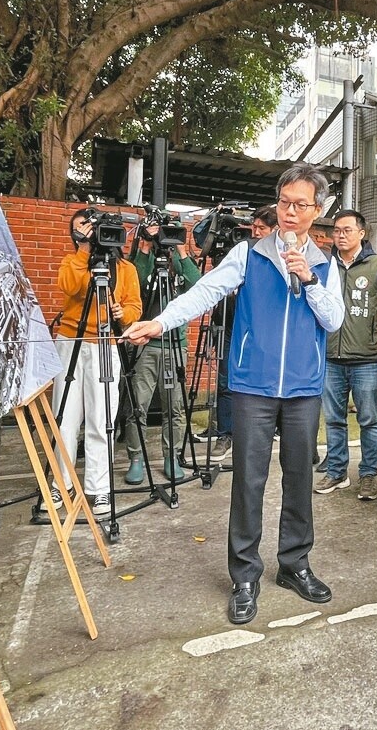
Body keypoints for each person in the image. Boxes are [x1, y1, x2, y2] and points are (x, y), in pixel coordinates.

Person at [123, 165, 344, 626]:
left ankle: (295, 565)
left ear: (317, 211)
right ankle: (245, 576)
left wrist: (311, 281)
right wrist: (161, 322)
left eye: (300, 205)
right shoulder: (248, 255)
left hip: (303, 388)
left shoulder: (326, 264)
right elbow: (204, 293)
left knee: (299, 478)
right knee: (248, 482)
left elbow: (334, 321)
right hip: (252, 388)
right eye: (284, 202)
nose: (289, 212)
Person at [52, 209, 142, 517]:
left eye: (93, 227)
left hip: (106, 344)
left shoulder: (125, 269)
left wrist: (123, 314)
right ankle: (59, 482)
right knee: (65, 417)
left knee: (101, 418)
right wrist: (85, 252)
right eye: (82, 227)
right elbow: (70, 287)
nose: (90, 231)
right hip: (71, 342)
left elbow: (135, 306)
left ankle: (99, 487)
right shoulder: (72, 262)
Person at [315, 210, 377, 500]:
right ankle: (336, 473)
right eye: (337, 230)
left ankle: (369, 475)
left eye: (347, 230)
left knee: (369, 420)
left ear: (362, 233)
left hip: (367, 359)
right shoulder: (324, 266)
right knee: (334, 420)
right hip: (330, 357)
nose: (341, 235)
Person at [122, 219, 201, 484]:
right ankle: (136, 458)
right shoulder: (143, 260)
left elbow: (197, 285)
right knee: (137, 406)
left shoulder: (178, 261)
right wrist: (145, 243)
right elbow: (134, 282)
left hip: (175, 344)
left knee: (174, 408)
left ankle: (171, 456)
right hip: (145, 345)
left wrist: (180, 247)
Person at [209, 206, 277, 463]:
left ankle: (271, 430)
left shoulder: (277, 258)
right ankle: (225, 434)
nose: (256, 233)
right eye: (254, 228)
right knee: (226, 381)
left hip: (259, 333)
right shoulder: (240, 253)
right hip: (229, 326)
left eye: (262, 229)